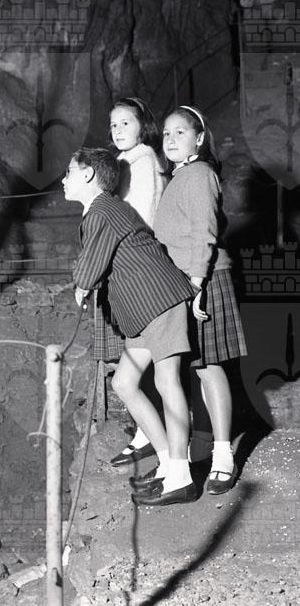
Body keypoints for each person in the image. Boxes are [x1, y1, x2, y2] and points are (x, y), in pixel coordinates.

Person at [64, 147, 198, 505]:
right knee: (124, 383)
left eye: (69, 171)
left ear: (88, 175)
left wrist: (80, 285)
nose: (63, 179)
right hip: (142, 308)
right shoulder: (105, 209)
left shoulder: (102, 211)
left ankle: (182, 477)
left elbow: (89, 268)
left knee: (166, 381)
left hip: (158, 299)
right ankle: (168, 463)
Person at [153, 105, 248, 495]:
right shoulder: (181, 176)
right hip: (185, 281)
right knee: (194, 367)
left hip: (204, 278)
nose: (171, 139)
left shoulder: (199, 174)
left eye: (180, 132)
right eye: (166, 133)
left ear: (200, 138)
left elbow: (204, 233)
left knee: (209, 367)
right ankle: (202, 448)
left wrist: (196, 286)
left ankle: (224, 457)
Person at [104, 97, 168, 467]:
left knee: (148, 358)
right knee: (139, 356)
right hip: (132, 266)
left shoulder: (142, 162)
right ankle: (148, 434)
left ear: (142, 126)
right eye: (113, 125)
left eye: (125, 123)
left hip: (141, 267)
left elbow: (140, 217)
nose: (118, 130)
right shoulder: (127, 161)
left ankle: (161, 445)